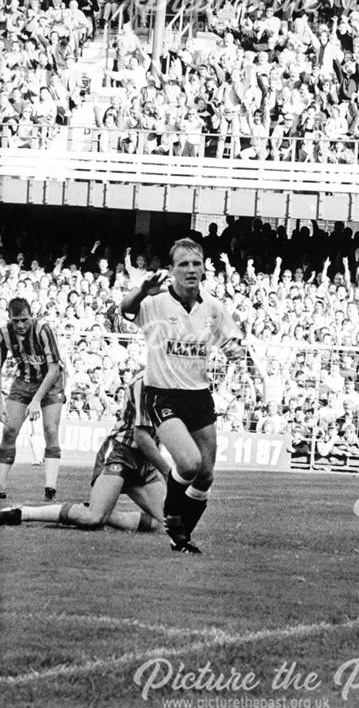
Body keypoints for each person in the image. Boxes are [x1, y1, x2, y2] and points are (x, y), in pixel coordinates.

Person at [120, 237, 247, 554]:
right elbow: (125, 309)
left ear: (203, 268)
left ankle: (182, 537)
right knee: (188, 464)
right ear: (172, 270)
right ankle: (172, 516)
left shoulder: (213, 308)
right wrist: (141, 290)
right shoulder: (156, 302)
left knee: (205, 475)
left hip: (199, 396)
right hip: (163, 394)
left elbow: (233, 343)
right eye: (183, 264)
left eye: (195, 264)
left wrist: (234, 349)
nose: (191, 270)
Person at [0, 373, 170, 532]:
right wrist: (168, 472)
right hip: (121, 452)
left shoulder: (174, 381)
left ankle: (94, 510)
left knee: (165, 523)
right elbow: (141, 436)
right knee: (93, 518)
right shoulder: (145, 381)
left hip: (144, 460)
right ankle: (23, 512)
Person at [0, 298, 66, 502]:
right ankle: (0, 485)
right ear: (9, 318)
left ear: (32, 315)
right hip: (23, 382)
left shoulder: (43, 329)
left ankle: (50, 487)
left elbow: (54, 369)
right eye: (16, 320)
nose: (20, 325)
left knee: (50, 429)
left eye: (24, 320)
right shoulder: (4, 333)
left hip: (51, 383)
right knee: (9, 430)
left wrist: (36, 399)